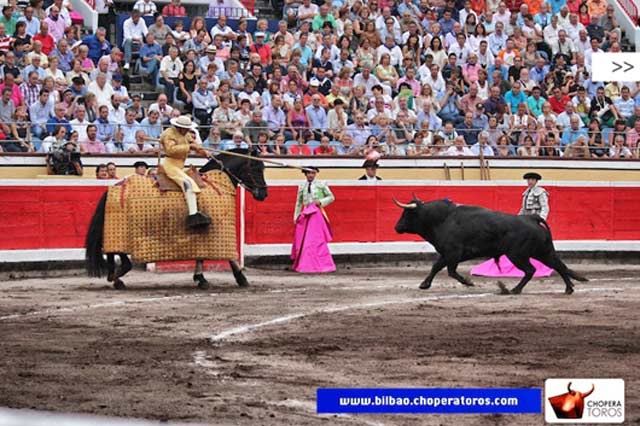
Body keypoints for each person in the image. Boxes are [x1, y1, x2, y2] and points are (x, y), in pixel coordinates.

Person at [472, 172, 553, 278]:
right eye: (528, 180)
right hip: (526, 222)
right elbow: (523, 209)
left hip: (535, 221)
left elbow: (545, 207)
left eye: (532, 180)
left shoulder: (541, 192)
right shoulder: (526, 193)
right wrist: (518, 221)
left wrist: (541, 220)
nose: (530, 182)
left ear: (536, 181)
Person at [159, 115, 211, 229]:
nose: (188, 131)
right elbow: (170, 150)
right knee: (187, 182)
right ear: (179, 127)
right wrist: (189, 147)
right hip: (170, 164)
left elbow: (195, 145)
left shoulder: (185, 134)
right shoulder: (168, 134)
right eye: (186, 128)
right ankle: (193, 215)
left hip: (180, 165)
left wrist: (204, 152)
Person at [291, 166, 336, 273]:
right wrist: (296, 216)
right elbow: (298, 202)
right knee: (304, 240)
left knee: (315, 240)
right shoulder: (302, 186)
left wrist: (320, 202)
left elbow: (331, 197)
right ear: (305, 174)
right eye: (309, 173)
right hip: (306, 214)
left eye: (313, 173)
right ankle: (306, 264)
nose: (311, 175)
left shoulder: (321, 184)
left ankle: (319, 264)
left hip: (316, 214)